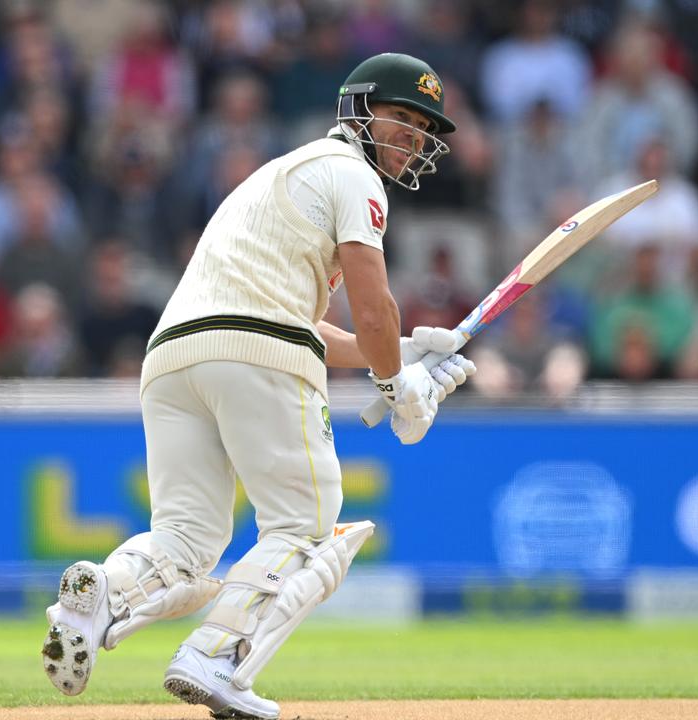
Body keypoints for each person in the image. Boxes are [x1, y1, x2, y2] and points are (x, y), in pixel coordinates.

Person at [39, 53, 477, 719]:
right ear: (359, 110)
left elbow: (297, 315)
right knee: (307, 527)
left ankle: (105, 590)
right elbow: (371, 299)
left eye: (423, 129)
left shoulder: (278, 176)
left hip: (175, 355)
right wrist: (399, 388)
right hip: (258, 353)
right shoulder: (355, 177)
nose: (412, 137)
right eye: (401, 118)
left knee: (187, 540)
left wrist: (397, 351)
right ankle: (216, 656)